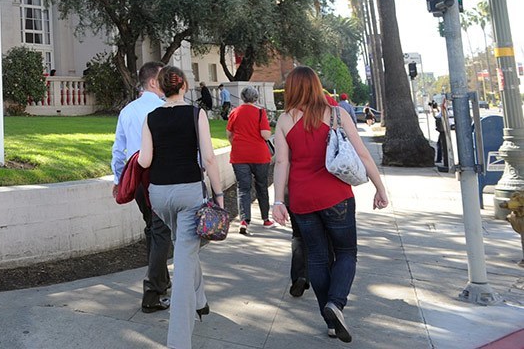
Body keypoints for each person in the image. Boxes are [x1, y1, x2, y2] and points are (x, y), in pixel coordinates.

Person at [271, 66, 389, 343]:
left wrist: (278, 200)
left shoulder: (285, 120)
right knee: (346, 252)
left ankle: (331, 322)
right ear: (316, 85)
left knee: (318, 258)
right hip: (336, 196)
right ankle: (336, 303)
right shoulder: (337, 114)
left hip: (301, 199)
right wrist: (379, 188)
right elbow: (362, 153)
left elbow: (281, 162)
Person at [139, 66, 224, 349]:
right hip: (189, 194)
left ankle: (200, 301)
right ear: (184, 86)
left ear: (161, 88)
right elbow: (209, 159)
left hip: (159, 197)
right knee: (185, 263)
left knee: (185, 246)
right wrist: (219, 195)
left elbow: (145, 161)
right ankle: (178, 342)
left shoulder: (150, 118)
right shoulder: (195, 114)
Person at [110, 61, 171, 313]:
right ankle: (152, 293)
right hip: (158, 177)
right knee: (160, 232)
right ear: (154, 82)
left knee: (153, 229)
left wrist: (117, 181)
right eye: (164, 79)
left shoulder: (127, 111)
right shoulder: (165, 108)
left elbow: (118, 150)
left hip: (136, 178)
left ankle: (160, 281)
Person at [226, 86, 273, 235]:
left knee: (243, 188)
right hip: (259, 155)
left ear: (242, 97)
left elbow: (229, 133)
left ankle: (244, 221)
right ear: (256, 98)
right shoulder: (260, 112)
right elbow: (265, 135)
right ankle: (266, 219)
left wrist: (237, 144)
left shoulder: (234, 112)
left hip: (239, 155)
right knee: (261, 186)